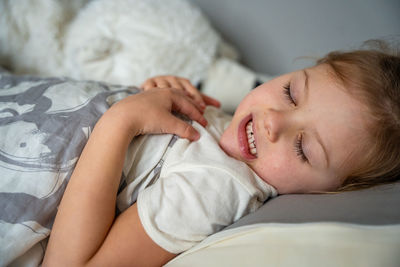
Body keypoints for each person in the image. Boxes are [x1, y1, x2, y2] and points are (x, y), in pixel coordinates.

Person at [43, 44, 400, 266]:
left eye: (302, 148)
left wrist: (120, 120)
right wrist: (150, 93)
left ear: (327, 192)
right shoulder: (226, 121)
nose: (273, 121)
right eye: (291, 92)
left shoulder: (215, 189)